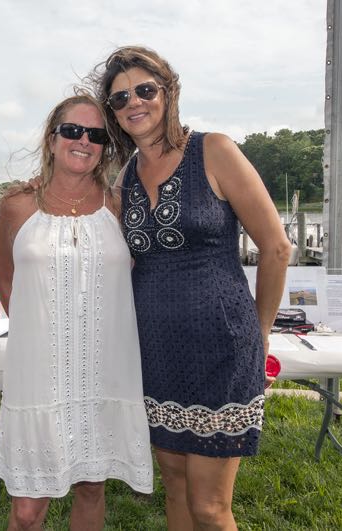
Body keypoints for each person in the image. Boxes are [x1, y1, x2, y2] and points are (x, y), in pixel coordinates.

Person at [86, 46, 291, 529]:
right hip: (155, 353)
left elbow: (277, 248)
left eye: (144, 90)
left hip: (221, 348)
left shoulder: (213, 150)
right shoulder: (127, 177)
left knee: (211, 507)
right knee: (174, 489)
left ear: (168, 91)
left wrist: (259, 336)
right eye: (119, 99)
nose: (133, 102)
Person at [0, 92, 153, 531]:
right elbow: (7, 284)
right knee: (27, 510)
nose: (84, 141)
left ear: (106, 145)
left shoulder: (120, 207)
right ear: (52, 138)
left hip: (103, 369)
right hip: (39, 375)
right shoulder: (16, 206)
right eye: (73, 130)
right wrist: (41, 335)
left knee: (91, 488)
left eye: (96, 134)